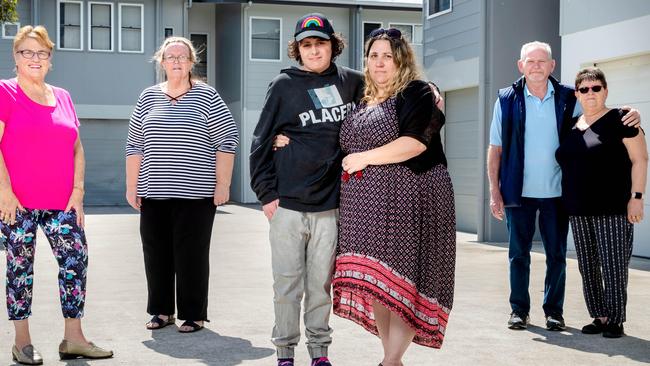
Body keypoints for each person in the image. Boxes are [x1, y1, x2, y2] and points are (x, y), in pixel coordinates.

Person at [487, 41, 641, 331]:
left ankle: (553, 312)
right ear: (520, 66)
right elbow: (495, 149)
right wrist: (495, 191)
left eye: (541, 61)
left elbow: (599, 110)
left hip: (559, 194)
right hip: (518, 193)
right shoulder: (506, 100)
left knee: (556, 256)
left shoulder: (570, 96)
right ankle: (519, 310)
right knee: (518, 255)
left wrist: (630, 112)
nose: (536, 67)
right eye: (530, 62)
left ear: (552, 65)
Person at [331, 28, 455, 366]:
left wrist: (363, 157)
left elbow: (415, 143)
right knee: (381, 288)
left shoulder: (416, 92)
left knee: (402, 283)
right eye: (374, 55)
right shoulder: (363, 98)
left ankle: (388, 362)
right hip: (366, 206)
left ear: (402, 59)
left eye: (388, 55)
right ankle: (392, 359)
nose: (380, 62)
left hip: (408, 198)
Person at [249, 13, 364, 366]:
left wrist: (431, 90)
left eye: (321, 43)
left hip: (331, 205)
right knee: (286, 286)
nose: (314, 50)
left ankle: (320, 353)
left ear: (334, 45)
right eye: (306, 45)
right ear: (298, 50)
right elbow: (261, 141)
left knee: (320, 287)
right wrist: (267, 196)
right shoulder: (284, 85)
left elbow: (394, 90)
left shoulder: (353, 83)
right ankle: (284, 352)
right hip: (288, 206)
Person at [0, 25, 113, 364]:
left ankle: (73, 338)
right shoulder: (5, 92)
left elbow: (76, 147)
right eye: (27, 52)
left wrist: (78, 191)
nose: (35, 59)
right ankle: (22, 341)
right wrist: (4, 191)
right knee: (20, 267)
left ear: (50, 59)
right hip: (16, 203)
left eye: (42, 53)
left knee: (75, 262)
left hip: (62, 202)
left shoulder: (62, 96)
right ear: (16, 58)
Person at [125, 36, 239, 333]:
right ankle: (161, 311)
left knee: (192, 255)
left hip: (196, 195)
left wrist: (222, 184)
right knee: (156, 253)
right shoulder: (147, 97)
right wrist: (131, 186)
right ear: (161, 62)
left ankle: (193, 313)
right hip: (154, 192)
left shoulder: (207, 96)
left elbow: (227, 140)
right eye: (170, 57)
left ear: (191, 63)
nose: (176, 61)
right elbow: (134, 145)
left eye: (182, 57)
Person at [555, 67, 647, 338]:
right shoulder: (569, 125)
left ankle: (616, 319)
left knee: (614, 264)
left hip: (614, 208)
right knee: (587, 265)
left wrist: (637, 198)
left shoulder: (622, 119)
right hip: (578, 209)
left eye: (596, 88)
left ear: (605, 91)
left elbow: (640, 160)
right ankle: (600, 315)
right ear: (577, 94)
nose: (590, 93)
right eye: (584, 89)